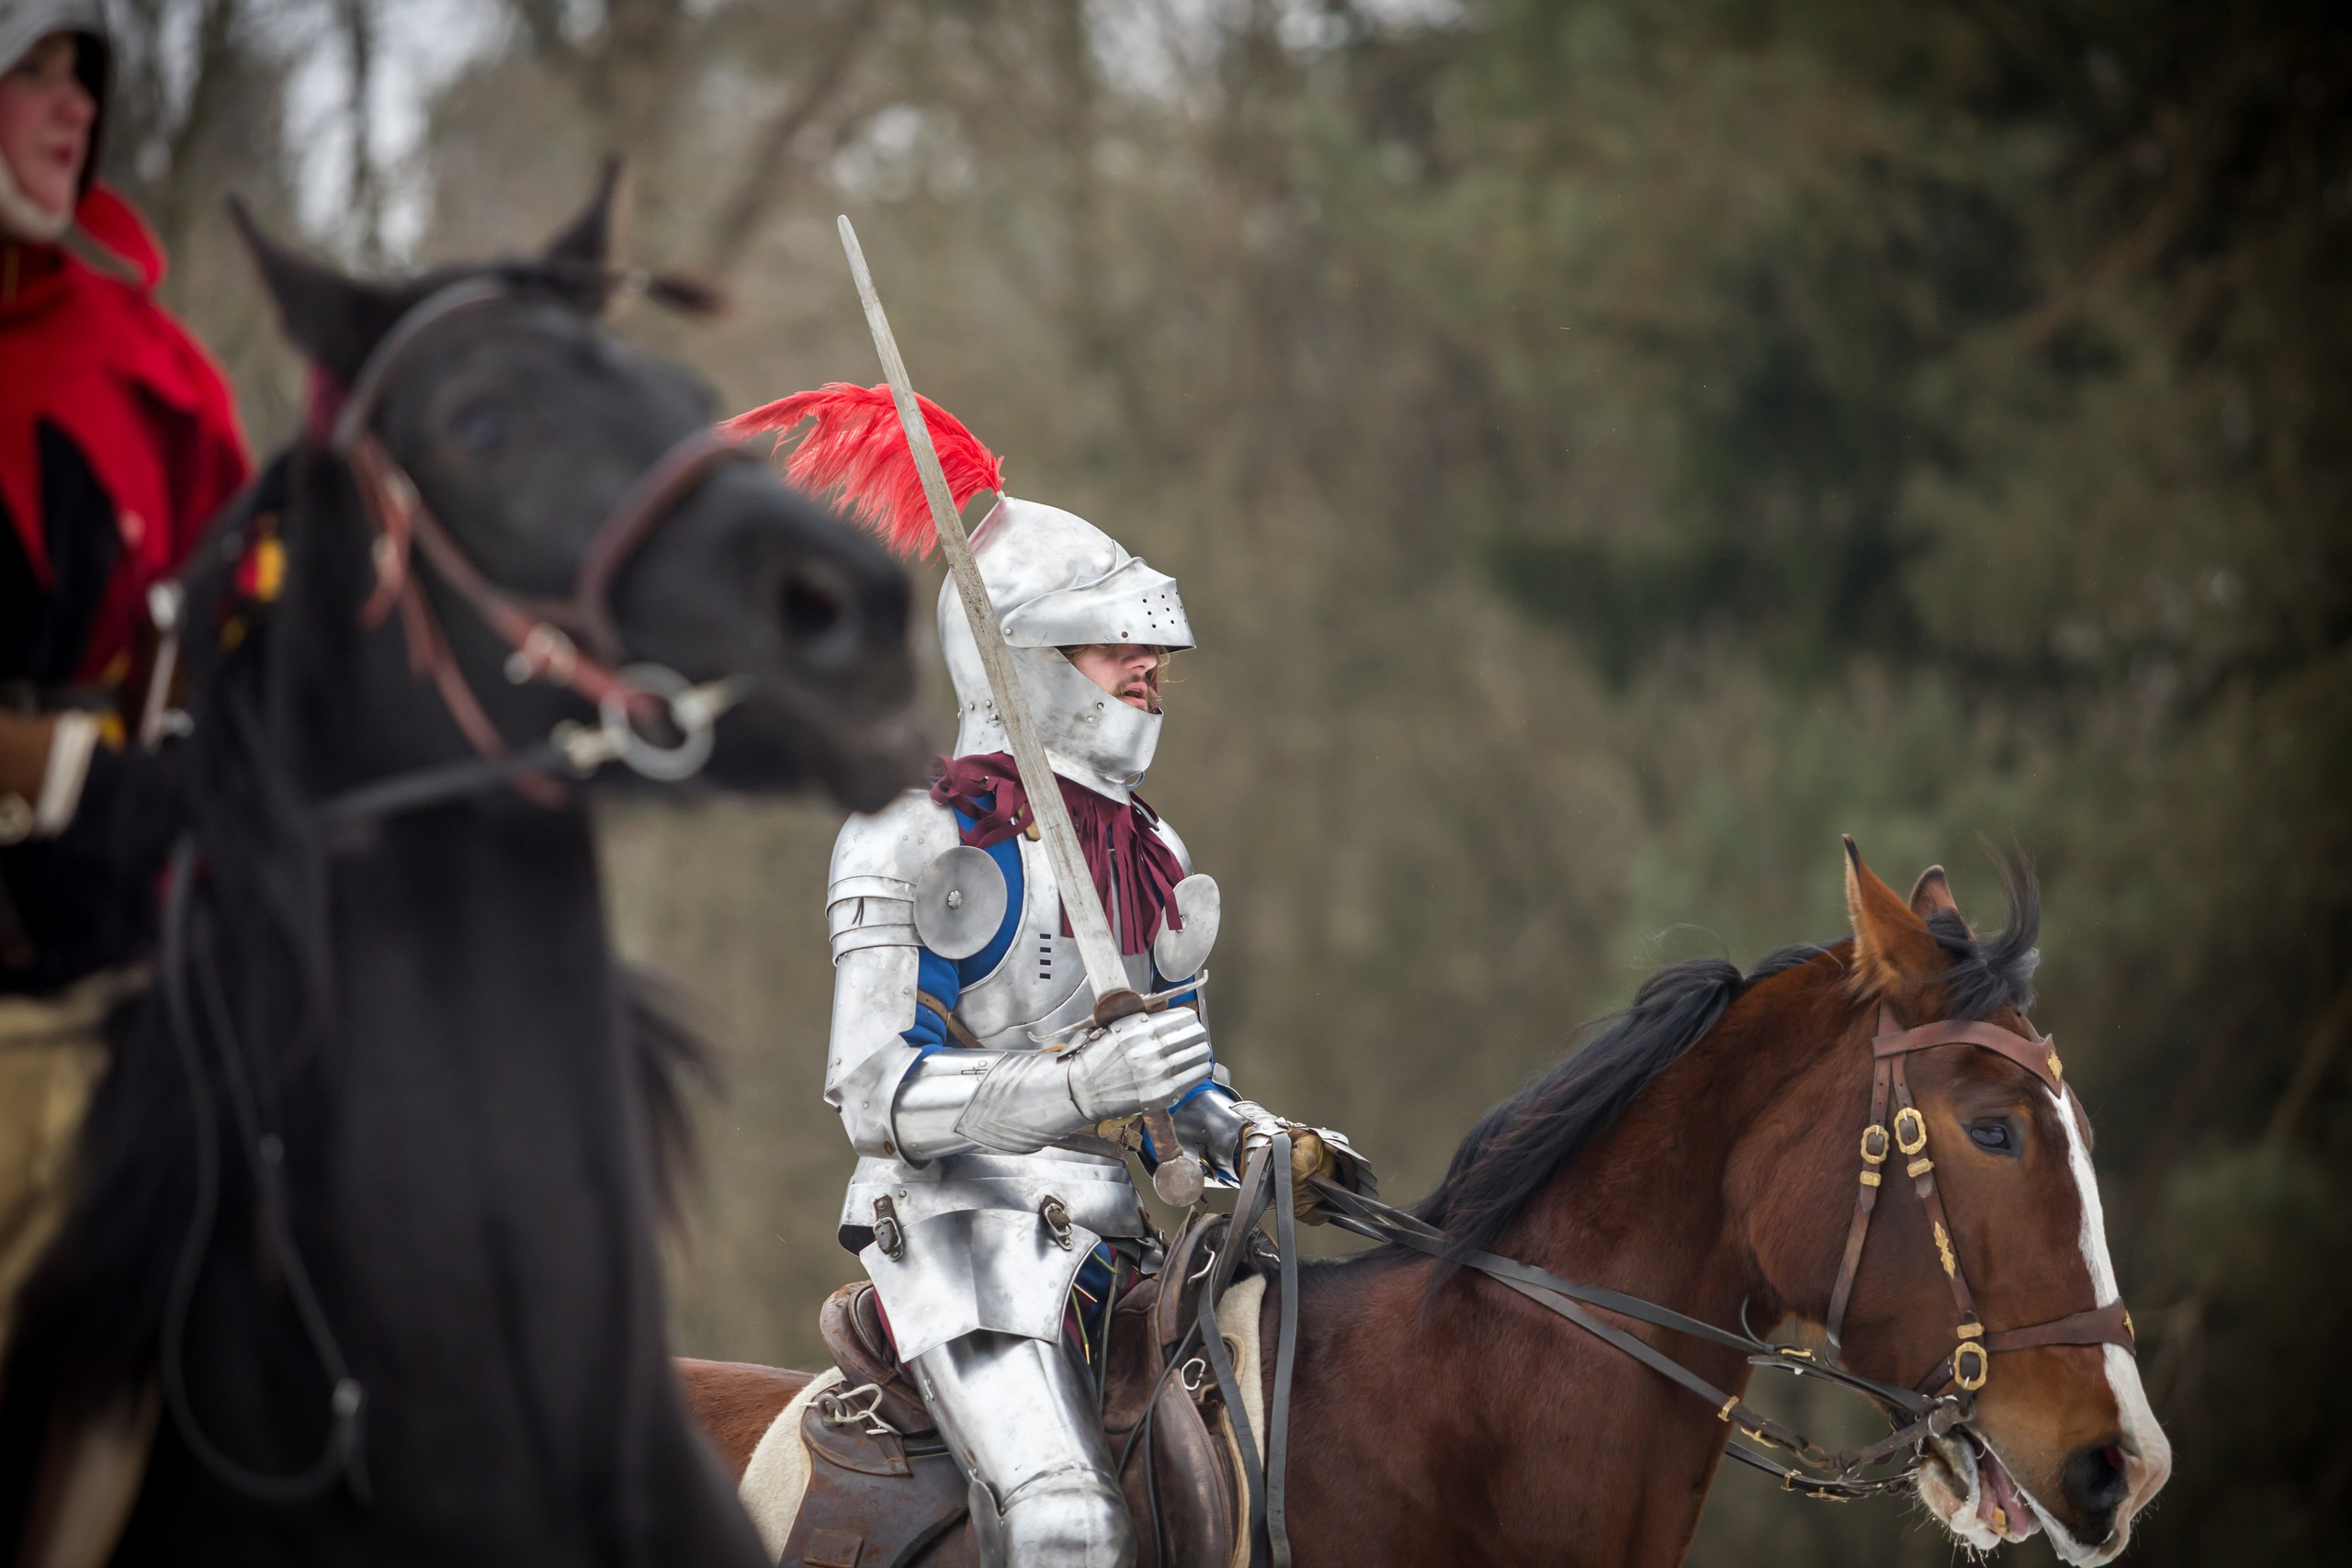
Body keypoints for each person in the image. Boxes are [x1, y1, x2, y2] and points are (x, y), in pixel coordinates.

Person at [733, 383, 1369, 1568]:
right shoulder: (910, 835)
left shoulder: (1148, 849)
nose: (1148, 667)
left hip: (1125, 1242)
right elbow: (874, 1095)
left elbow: (1175, 1082)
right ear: (1018, 652)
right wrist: (1078, 1088)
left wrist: (1253, 1132)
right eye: (1114, 643)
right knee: (1068, 1524)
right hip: (957, 1236)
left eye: (1154, 648)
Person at [0, 0, 249, 1338]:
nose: (72, 107)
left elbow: (224, 638)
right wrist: (64, 770)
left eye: (79, 74)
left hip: (111, 959)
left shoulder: (151, 367)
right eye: (28, 71)